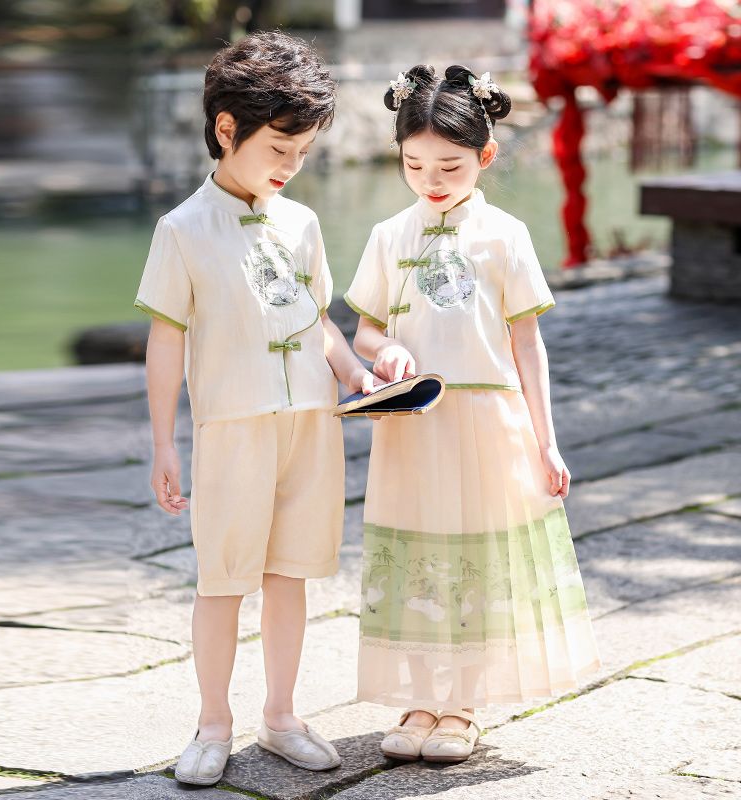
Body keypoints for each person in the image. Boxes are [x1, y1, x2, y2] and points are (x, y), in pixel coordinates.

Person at [134, 31, 374, 785]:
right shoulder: (181, 230)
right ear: (227, 128)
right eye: (279, 148)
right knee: (222, 580)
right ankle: (212, 724)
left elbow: (318, 318)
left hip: (310, 424)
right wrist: (165, 445)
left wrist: (357, 374)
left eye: (302, 153)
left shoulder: (300, 223)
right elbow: (165, 342)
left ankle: (281, 716)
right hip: (231, 429)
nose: (289, 167)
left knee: (292, 575)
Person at [344, 64, 601, 764]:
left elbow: (527, 342)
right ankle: (420, 699)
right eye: (414, 163)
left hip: (489, 425)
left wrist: (547, 443)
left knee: (479, 559)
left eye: (450, 165)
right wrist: (386, 347)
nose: (431, 178)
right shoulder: (389, 234)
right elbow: (362, 329)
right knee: (419, 552)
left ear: (485, 157)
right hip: (414, 425)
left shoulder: (506, 236)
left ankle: (461, 708)